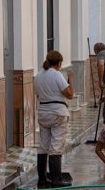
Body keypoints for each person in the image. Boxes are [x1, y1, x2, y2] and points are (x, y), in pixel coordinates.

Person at [34, 51, 73, 188]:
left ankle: (42, 180)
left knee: (43, 146)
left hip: (43, 113)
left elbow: (38, 95)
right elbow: (69, 94)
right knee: (56, 146)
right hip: (57, 113)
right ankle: (57, 179)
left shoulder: (38, 76)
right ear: (59, 63)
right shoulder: (57, 74)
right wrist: (70, 80)